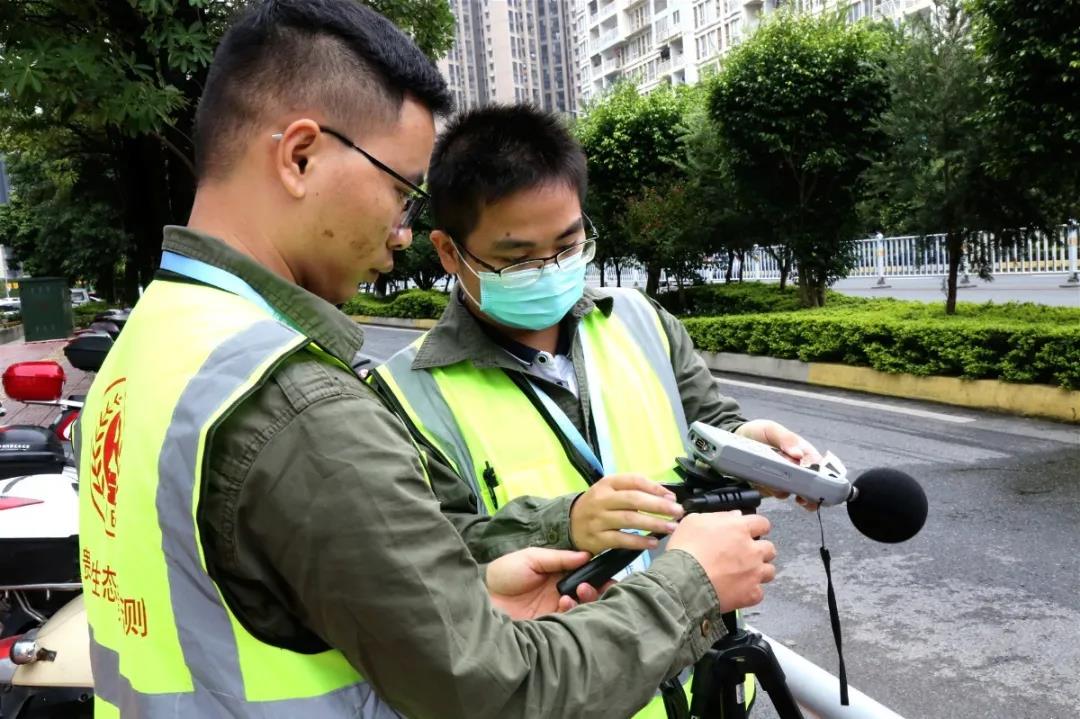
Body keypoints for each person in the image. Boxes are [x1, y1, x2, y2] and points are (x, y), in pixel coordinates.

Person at [76, 2, 779, 717]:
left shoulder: (151, 345)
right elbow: (495, 692)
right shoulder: (300, 406)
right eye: (401, 191)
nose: (401, 235)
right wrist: (691, 579)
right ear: (300, 156)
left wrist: (466, 600)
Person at [370, 104, 824, 717]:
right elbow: (434, 562)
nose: (550, 270)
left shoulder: (642, 321)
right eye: (517, 258)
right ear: (450, 253)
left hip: (705, 682)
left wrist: (749, 443)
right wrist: (567, 520)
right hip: (568, 695)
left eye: (568, 244)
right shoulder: (404, 393)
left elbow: (708, 422)